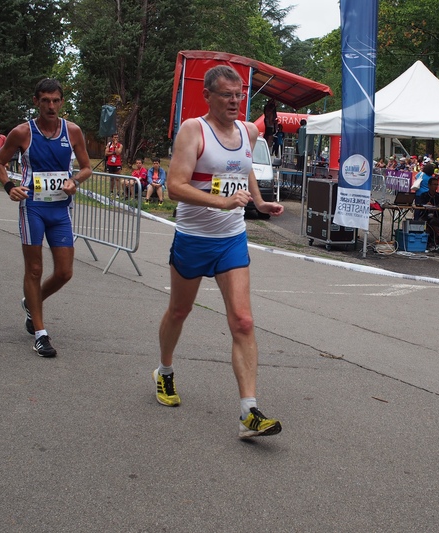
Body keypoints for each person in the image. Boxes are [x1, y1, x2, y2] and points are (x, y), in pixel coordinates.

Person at [154, 65, 284, 439]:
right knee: (179, 311)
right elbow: (175, 186)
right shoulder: (194, 130)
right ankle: (164, 371)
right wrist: (219, 203)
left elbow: (242, 170)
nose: (234, 100)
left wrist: (259, 202)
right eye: (226, 94)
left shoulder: (247, 131)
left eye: (239, 93)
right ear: (207, 96)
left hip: (231, 239)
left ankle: (249, 412)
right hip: (194, 237)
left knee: (243, 321)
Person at [0, 78, 92, 358]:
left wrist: (74, 180)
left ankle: (31, 303)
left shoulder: (72, 131)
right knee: (34, 270)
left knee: (64, 272)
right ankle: (40, 333)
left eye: (56, 100)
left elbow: (86, 168)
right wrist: (10, 187)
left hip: (60, 209)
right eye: (45, 100)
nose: (51, 106)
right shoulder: (22, 133)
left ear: (62, 101)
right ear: (36, 101)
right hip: (32, 207)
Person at [415, 176, 439, 248]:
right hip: (424, 216)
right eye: (434, 184)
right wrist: (425, 205)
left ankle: (434, 239)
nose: (436, 186)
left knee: (433, 221)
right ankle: (436, 236)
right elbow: (418, 205)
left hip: (436, 217)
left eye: (437, 184)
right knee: (425, 223)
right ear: (429, 185)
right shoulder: (424, 195)